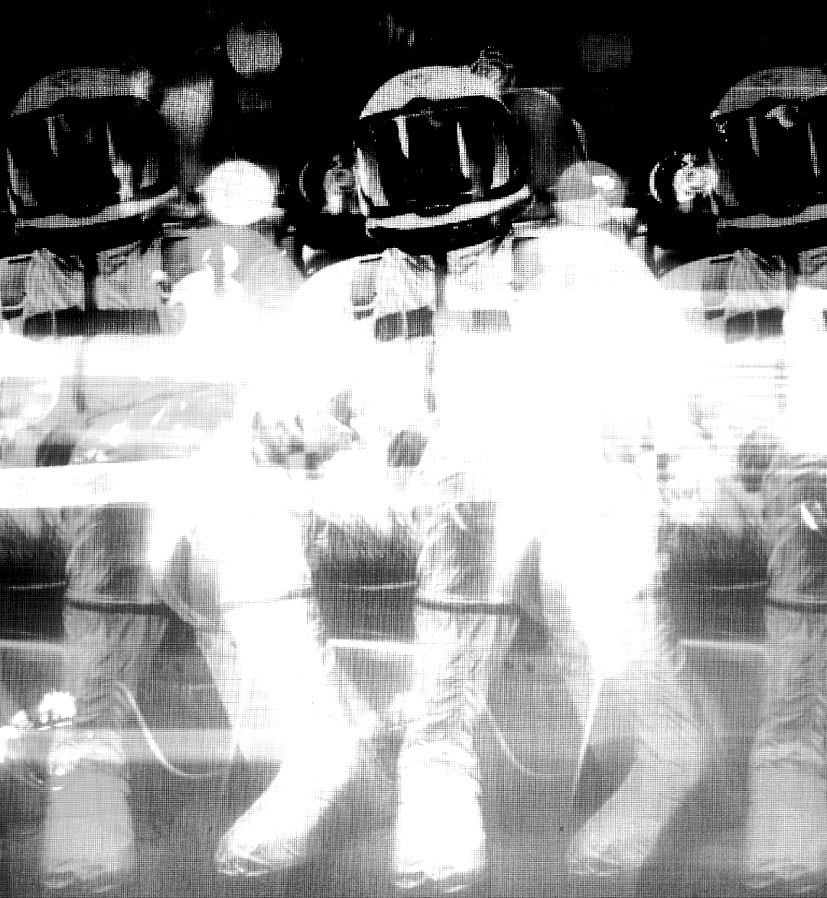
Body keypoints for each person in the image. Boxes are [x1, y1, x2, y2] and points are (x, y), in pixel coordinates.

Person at [215, 64, 711, 897]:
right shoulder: (343, 290)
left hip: (562, 501)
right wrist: (294, 432)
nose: (431, 176)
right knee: (229, 493)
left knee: (477, 474)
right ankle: (321, 745)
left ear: (502, 150)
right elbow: (276, 422)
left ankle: (453, 764)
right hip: (398, 503)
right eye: (404, 156)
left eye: (451, 149)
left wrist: (615, 439)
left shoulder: (578, 265)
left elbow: (665, 405)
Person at [0, 65, 313, 894]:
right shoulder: (15, 280)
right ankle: (90, 773)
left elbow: (292, 372)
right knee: (115, 522)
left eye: (100, 151)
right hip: (70, 498)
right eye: (56, 156)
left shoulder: (215, 259)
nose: (82, 175)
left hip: (196, 490)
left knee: (202, 544)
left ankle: (309, 760)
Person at [659, 65, 827, 897]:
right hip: (763, 500)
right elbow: (664, 406)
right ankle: (782, 797)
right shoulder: (695, 287)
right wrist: (714, 449)